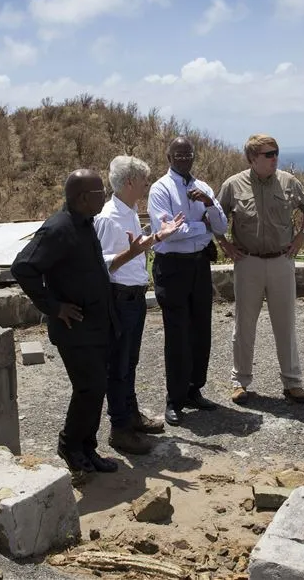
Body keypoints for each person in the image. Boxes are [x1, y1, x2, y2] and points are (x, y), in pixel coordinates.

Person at [10, 169, 119, 473]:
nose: (105, 196)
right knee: (88, 388)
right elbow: (22, 267)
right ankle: (70, 446)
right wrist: (53, 306)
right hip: (75, 330)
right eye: (101, 193)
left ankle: (87, 449)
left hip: (97, 325)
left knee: (96, 389)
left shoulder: (85, 223)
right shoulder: (58, 229)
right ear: (84, 198)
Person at [94, 155, 184, 455]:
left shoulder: (129, 210)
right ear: (130, 182)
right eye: (144, 179)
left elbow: (135, 248)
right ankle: (119, 429)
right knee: (117, 366)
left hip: (132, 298)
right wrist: (135, 252)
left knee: (128, 363)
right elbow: (103, 266)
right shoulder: (108, 218)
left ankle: (130, 417)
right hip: (119, 299)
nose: (148, 184)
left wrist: (158, 236)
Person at [217, 134, 304, 405]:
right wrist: (223, 243)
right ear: (252, 158)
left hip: (281, 260)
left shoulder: (288, 182)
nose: (275, 158)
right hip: (247, 262)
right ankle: (240, 382)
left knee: (285, 323)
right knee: (244, 325)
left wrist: (302, 236)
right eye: (268, 154)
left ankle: (292, 382)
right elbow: (215, 215)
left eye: (276, 153)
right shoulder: (233, 185)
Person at [147, 136, 229, 426]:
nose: (184, 159)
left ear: (194, 156)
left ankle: (195, 389)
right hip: (173, 267)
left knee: (200, 329)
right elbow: (169, 231)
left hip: (198, 266)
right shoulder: (160, 189)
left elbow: (221, 226)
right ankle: (174, 398)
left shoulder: (203, 187)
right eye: (178, 155)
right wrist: (201, 226)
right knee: (177, 332)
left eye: (188, 154)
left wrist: (209, 206)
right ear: (168, 157)